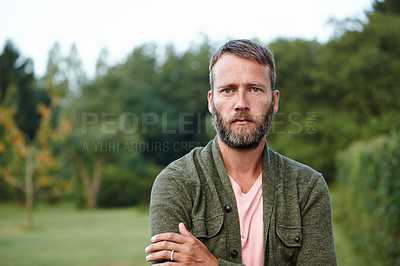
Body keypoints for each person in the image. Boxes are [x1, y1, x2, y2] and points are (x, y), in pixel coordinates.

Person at [145, 39, 337, 265]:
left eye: (254, 89)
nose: (241, 103)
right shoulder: (176, 183)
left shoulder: (307, 187)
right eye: (228, 90)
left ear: (274, 101)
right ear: (211, 101)